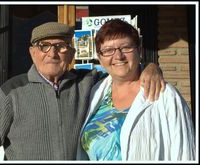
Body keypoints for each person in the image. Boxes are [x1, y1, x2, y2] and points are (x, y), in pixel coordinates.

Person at [0, 22, 165, 160]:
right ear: (32, 52)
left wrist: (148, 67)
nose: (52, 53)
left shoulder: (88, 82)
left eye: (60, 46)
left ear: (71, 53)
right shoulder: (11, 92)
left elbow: (122, 70)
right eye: (44, 46)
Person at [76, 19, 195, 161]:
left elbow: (185, 153)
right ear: (100, 58)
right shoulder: (95, 92)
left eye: (126, 47)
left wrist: (152, 66)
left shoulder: (165, 95)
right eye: (108, 50)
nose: (118, 56)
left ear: (139, 50)